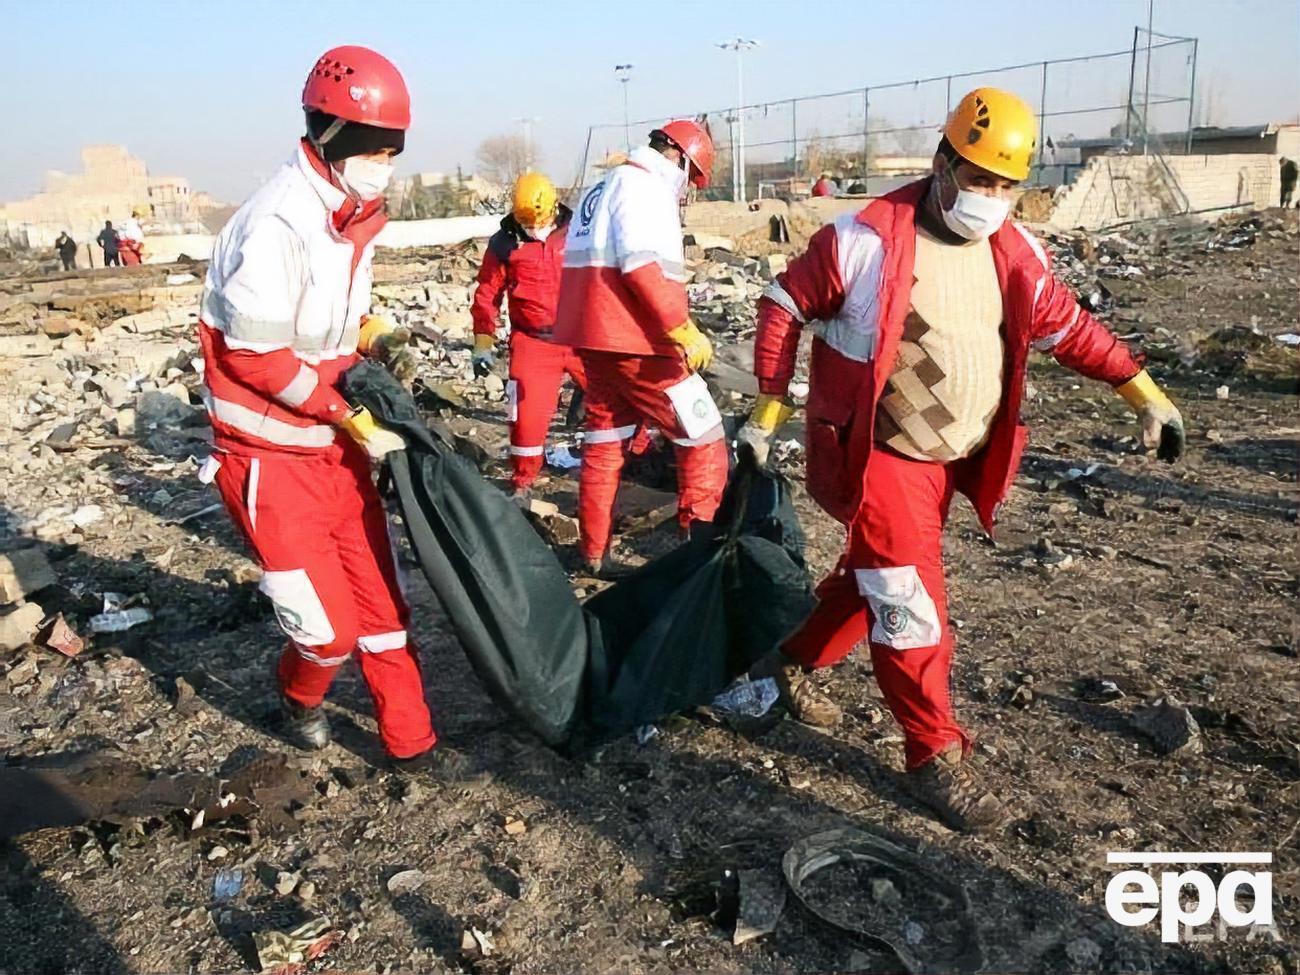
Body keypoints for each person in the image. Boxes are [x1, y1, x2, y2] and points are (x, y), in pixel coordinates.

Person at [739, 88, 1185, 831]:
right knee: (911, 605)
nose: (991, 198)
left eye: (1007, 185)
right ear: (943, 163)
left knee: (874, 578)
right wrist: (768, 408)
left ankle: (787, 655)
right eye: (979, 178)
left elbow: (1070, 327)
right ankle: (932, 753)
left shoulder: (1015, 251)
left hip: (950, 461)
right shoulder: (867, 240)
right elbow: (782, 303)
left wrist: (1143, 392)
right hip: (881, 456)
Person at [197, 45, 454, 774]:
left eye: (393, 150)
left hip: (335, 451)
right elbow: (253, 354)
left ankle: (412, 742)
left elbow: (336, 322)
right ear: (330, 134)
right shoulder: (278, 222)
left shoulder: (350, 216)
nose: (386, 162)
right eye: (376, 148)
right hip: (272, 461)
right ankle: (298, 693)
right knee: (327, 632)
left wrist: (378, 336)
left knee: (384, 608)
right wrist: (342, 411)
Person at [554, 120, 726, 577]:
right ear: (679, 158)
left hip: (593, 340)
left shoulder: (602, 187)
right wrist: (681, 328)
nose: (688, 188)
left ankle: (594, 552)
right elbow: (642, 266)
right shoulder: (644, 186)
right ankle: (701, 558)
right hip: (638, 342)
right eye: (691, 177)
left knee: (605, 443)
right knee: (703, 436)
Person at [471, 171, 584, 495]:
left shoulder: (577, 230)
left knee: (619, 397)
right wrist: (483, 340)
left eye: (540, 221)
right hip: (533, 342)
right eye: (527, 223)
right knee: (526, 418)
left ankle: (640, 455)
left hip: (582, 335)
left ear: (553, 208)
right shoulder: (505, 243)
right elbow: (487, 292)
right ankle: (523, 481)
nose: (534, 229)